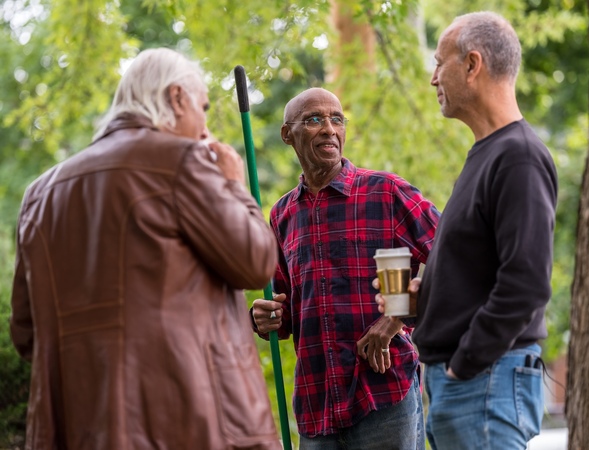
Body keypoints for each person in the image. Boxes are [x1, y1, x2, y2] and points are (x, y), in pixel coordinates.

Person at [9, 47, 282, 450]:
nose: (205, 126)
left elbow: (26, 333)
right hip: (190, 423)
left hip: (75, 428)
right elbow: (257, 262)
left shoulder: (39, 194)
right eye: (202, 107)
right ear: (176, 98)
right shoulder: (183, 161)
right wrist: (232, 183)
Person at [376, 12, 558, 450]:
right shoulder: (487, 154)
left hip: (483, 380)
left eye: (440, 63)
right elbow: (484, 271)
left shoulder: (518, 157)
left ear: (472, 65)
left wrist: (465, 363)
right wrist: (426, 302)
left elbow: (526, 283)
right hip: (465, 383)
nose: (432, 78)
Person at [251, 87, 440, 449]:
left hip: (383, 394)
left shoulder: (386, 192)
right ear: (287, 134)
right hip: (316, 402)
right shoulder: (282, 215)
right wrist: (265, 317)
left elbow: (452, 251)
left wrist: (395, 318)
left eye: (337, 119)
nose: (328, 128)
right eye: (314, 120)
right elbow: (286, 312)